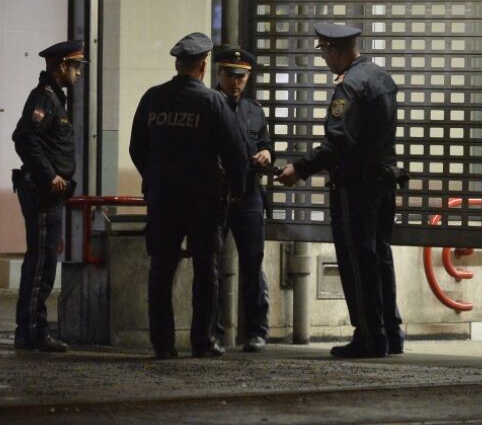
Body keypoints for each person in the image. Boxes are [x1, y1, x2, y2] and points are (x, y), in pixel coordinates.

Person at [277, 23, 405, 358]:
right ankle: (391, 331)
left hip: (356, 187)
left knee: (357, 260)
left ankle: (369, 336)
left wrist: (299, 168)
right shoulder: (381, 78)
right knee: (380, 257)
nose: (325, 60)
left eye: (324, 53)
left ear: (334, 50)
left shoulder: (349, 87)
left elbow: (338, 143)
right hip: (384, 183)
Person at [129, 32, 249, 359]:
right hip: (203, 199)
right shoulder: (212, 102)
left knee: (161, 269)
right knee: (205, 269)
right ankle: (202, 340)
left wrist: (153, 177)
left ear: (178, 64)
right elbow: (236, 151)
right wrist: (236, 189)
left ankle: (163, 344)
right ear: (203, 65)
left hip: (163, 199)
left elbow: (136, 147)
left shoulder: (152, 98)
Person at [11, 39, 86, 353]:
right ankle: (31, 332)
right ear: (63, 66)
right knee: (41, 265)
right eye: (77, 67)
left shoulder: (55, 98)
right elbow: (25, 138)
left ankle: (33, 330)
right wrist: (49, 175)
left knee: (43, 264)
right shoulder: (44, 98)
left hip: (50, 194)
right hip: (42, 194)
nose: (79, 74)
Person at [212, 46, 273, 353]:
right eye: (230, 75)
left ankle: (256, 330)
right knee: (210, 264)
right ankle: (214, 330)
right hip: (216, 195)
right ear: (219, 74)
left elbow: (264, 142)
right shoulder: (209, 106)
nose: (236, 82)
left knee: (252, 263)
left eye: (242, 77)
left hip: (249, 194)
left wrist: (266, 153)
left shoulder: (254, 111)